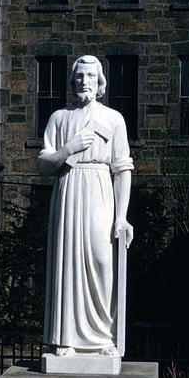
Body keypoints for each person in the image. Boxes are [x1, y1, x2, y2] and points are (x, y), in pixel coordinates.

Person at [38, 55, 134, 357]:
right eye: (79, 76)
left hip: (101, 189)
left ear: (100, 81)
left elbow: (123, 168)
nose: (84, 82)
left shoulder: (113, 118)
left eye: (90, 77)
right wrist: (70, 148)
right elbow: (44, 164)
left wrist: (122, 217)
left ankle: (104, 336)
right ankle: (66, 338)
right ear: (73, 80)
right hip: (69, 189)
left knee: (103, 260)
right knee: (67, 263)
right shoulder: (59, 118)